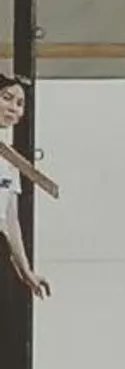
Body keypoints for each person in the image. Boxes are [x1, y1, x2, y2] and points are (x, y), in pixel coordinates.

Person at [0, 73, 49, 300]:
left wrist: (26, 270)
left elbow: (10, 218)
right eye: (6, 98)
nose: (14, 108)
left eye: (20, 103)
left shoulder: (9, 159)